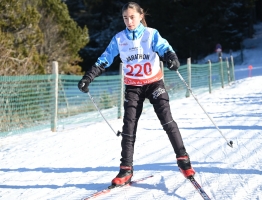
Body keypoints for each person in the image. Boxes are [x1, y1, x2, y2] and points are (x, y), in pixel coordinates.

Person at [78, 2, 195, 187]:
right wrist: (88, 77)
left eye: (132, 17)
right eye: (125, 18)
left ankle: (184, 161)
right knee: (129, 127)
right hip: (133, 87)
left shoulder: (151, 34)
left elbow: (164, 48)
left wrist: (171, 58)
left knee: (167, 120)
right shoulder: (119, 39)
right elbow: (105, 59)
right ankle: (126, 170)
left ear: (141, 16)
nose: (129, 21)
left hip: (154, 83)